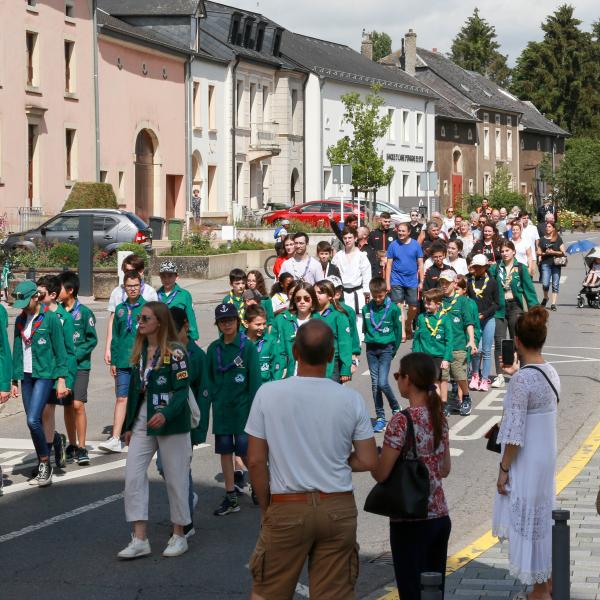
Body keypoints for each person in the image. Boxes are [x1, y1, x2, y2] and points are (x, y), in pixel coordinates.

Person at [246, 319, 377, 600]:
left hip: (287, 505)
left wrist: (265, 507)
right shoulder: (350, 399)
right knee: (335, 593)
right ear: (331, 356)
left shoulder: (268, 394)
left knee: (267, 591)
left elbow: (255, 460)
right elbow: (368, 460)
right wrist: (335, 460)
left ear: (295, 352)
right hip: (337, 506)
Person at [372, 352, 451, 600]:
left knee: (411, 591)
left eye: (398, 375)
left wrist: (372, 459)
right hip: (439, 516)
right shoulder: (439, 416)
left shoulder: (401, 421)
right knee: (433, 590)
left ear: (408, 379)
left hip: (410, 520)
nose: (397, 380)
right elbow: (445, 469)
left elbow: (382, 473)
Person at [492, 307, 558, 600]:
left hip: (526, 461)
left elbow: (515, 435)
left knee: (529, 522)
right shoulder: (550, 372)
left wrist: (504, 469)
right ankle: (545, 583)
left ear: (516, 341)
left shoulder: (522, 380)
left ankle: (539, 591)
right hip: (545, 457)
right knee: (542, 521)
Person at [118, 302, 192, 559]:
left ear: (159, 322)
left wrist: (166, 413)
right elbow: (132, 392)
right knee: (133, 475)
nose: (140, 321)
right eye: (139, 317)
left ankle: (179, 534)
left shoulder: (177, 353)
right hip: (143, 419)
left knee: (176, 478)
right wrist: (128, 426)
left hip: (171, 421)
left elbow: (182, 392)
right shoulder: (139, 352)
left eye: (145, 318)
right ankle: (139, 538)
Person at [11, 280, 68, 486]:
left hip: (44, 374)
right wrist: (14, 380)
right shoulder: (20, 320)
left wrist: (61, 379)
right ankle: (47, 449)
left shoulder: (51, 319)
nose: (24, 307)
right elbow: (17, 349)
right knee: (32, 420)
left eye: (27, 302)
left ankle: (45, 463)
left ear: (36, 297)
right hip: (26, 376)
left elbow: (61, 352)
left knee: (33, 420)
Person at [206, 303, 261, 516]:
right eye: (222, 321)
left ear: (238, 322)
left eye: (230, 320)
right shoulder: (213, 349)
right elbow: (209, 382)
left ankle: (258, 486)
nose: (227, 324)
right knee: (225, 452)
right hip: (222, 412)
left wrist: (257, 413)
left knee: (246, 453)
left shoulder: (247, 348)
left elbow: (255, 382)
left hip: (244, 411)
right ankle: (231, 496)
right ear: (217, 324)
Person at [99, 271, 146, 453]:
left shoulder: (148, 308)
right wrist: (114, 362)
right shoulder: (119, 309)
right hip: (123, 362)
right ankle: (116, 437)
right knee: (121, 397)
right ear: (124, 287)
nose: (132, 289)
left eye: (135, 285)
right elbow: (116, 337)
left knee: (143, 398)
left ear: (140, 286)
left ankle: (145, 436)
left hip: (141, 361)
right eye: (129, 286)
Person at [36, 275, 77, 470]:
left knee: (47, 410)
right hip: (38, 371)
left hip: (54, 373)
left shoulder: (64, 318)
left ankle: (46, 458)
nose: (36, 296)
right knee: (36, 416)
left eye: (40, 293)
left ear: (52, 295)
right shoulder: (36, 315)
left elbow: (69, 351)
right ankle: (55, 440)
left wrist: (67, 380)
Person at [58, 271, 98, 465]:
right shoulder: (57, 312)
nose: (56, 291)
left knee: (77, 405)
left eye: (60, 288)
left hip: (81, 366)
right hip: (64, 368)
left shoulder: (84, 312)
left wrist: (76, 355)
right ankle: (72, 444)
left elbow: (92, 339)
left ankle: (82, 447)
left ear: (70, 290)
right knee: (67, 406)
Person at [491, 241, 539, 389]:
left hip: (515, 307)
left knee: (516, 340)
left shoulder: (520, 269)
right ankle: (499, 375)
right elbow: (488, 286)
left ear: (513, 251)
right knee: (499, 341)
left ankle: (521, 372)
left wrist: (535, 312)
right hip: (499, 308)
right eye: (502, 251)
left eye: (507, 250)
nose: (504, 253)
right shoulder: (495, 268)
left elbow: (529, 291)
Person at [362, 277, 402, 433]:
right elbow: (365, 328)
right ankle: (380, 417)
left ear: (386, 292)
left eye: (381, 296)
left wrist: (394, 350)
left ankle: (395, 407)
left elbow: (398, 331)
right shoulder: (367, 309)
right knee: (374, 384)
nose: (378, 299)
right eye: (375, 296)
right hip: (371, 349)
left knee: (382, 382)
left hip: (386, 348)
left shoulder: (393, 309)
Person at [104, 254, 157, 365]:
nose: (128, 274)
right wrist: (108, 348)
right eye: (125, 271)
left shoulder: (150, 292)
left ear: (141, 271)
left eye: (131, 271)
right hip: (122, 351)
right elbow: (113, 322)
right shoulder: (117, 292)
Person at [437, 270, 477, 416]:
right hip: (442, 346)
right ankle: (444, 404)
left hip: (459, 344)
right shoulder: (439, 300)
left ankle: (466, 397)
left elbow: (469, 323)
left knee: (459, 374)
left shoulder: (463, 301)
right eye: (442, 282)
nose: (444, 286)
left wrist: (471, 340)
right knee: (443, 377)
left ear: (454, 284)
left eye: (447, 283)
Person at [386, 222, 424, 341]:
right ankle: (402, 331)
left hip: (412, 280)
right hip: (396, 279)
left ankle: (408, 323)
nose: (401, 233)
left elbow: (421, 264)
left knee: (413, 307)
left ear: (409, 232)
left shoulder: (416, 245)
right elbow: (389, 265)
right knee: (399, 306)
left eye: (403, 231)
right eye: (399, 231)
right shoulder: (393, 245)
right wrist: (387, 283)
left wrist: (421, 281)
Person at [467, 255, 499, 392]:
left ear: (486, 267)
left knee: (486, 351)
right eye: (475, 266)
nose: (477, 269)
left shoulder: (492, 282)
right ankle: (475, 375)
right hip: (474, 320)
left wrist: (484, 314)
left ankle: (485, 379)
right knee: (476, 350)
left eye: (480, 266)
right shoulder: (469, 280)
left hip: (488, 319)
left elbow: (496, 303)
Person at [413, 288, 453, 391]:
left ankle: (437, 406)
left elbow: (449, 340)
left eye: (429, 304)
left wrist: (446, 358)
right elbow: (417, 339)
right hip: (424, 356)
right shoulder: (421, 318)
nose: (426, 305)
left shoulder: (445, 319)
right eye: (425, 303)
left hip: (438, 356)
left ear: (438, 304)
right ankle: (432, 405)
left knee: (434, 382)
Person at [331, 227, 372, 330]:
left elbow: (367, 275)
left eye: (350, 237)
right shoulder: (338, 256)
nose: (347, 240)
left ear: (355, 238)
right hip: (341, 294)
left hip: (357, 293)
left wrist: (367, 292)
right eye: (345, 238)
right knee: (343, 322)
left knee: (358, 323)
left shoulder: (361, 256)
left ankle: (357, 345)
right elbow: (333, 276)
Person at [274, 281, 317, 377]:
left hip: (312, 375)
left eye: (306, 299)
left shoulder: (320, 321)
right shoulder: (283, 319)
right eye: (298, 299)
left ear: (313, 299)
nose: (302, 302)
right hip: (290, 374)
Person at [314, 280, 353, 383]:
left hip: (332, 364)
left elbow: (345, 343)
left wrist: (345, 368)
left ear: (330, 296)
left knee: (331, 397)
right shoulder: (311, 314)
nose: (316, 295)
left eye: (320, 292)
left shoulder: (338, 315)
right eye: (314, 292)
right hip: (314, 363)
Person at [156, 260, 199, 341]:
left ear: (177, 277)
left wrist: (193, 337)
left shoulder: (184, 295)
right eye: (163, 276)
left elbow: (190, 317)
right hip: (160, 338)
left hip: (178, 337)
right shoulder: (155, 295)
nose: (166, 279)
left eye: (170, 276)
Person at [244, 304, 284, 383]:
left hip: (264, 388)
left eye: (264, 323)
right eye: (258, 324)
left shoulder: (270, 342)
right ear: (246, 323)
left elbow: (277, 369)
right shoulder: (238, 342)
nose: (262, 327)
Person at [329, 276, 361, 367]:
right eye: (334, 289)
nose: (338, 291)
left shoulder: (348, 310)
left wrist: (353, 355)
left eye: (339, 288)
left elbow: (353, 333)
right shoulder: (320, 310)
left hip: (343, 353)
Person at [537, 220, 566, 311]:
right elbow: (538, 252)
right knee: (545, 283)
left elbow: (563, 252)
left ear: (553, 228)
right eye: (547, 226)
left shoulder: (558, 238)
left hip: (556, 264)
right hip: (545, 263)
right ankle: (546, 297)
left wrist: (554, 252)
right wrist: (544, 253)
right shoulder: (542, 239)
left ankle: (553, 304)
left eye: (549, 226)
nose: (547, 228)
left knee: (555, 284)